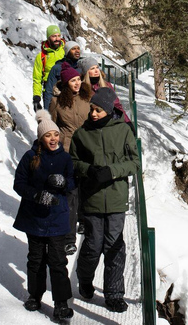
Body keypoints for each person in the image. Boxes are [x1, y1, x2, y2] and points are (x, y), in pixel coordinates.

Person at [70, 87, 141, 313]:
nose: (93, 114)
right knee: (92, 245)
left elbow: (135, 163)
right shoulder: (82, 134)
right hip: (91, 199)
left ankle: (114, 294)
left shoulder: (123, 131)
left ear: (109, 110)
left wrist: (112, 171)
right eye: (92, 109)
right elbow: (72, 162)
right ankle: (85, 279)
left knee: (114, 246)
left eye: (98, 110)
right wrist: (88, 170)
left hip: (117, 200)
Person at [13, 111, 75, 321]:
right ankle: (34, 295)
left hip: (57, 217)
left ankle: (61, 303)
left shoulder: (65, 158)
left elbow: (73, 181)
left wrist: (64, 183)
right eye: (48, 135)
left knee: (58, 261)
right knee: (36, 259)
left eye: (55, 135)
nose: (53, 139)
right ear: (41, 138)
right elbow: (19, 184)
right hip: (35, 217)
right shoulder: (30, 157)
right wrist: (36, 194)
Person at [49, 62, 92, 255]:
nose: (76, 83)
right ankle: (69, 238)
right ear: (66, 83)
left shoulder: (88, 97)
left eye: (78, 79)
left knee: (86, 188)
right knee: (71, 194)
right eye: (72, 80)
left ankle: (83, 220)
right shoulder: (57, 102)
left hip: (88, 148)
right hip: (67, 151)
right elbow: (50, 128)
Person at [77, 57, 131, 123]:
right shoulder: (82, 88)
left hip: (108, 123)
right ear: (86, 72)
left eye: (97, 67)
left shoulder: (106, 85)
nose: (96, 71)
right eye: (92, 68)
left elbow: (117, 105)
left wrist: (127, 121)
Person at [32, 25, 65, 112]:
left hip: (66, 88)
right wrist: (36, 98)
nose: (57, 39)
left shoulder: (66, 51)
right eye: (54, 36)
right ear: (48, 38)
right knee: (50, 120)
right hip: (49, 91)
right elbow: (37, 78)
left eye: (58, 36)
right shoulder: (41, 56)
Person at [43, 40, 82, 109]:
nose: (77, 51)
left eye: (78, 48)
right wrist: (47, 113)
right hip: (61, 107)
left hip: (78, 108)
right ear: (67, 52)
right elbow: (49, 91)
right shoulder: (57, 68)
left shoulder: (80, 69)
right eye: (73, 49)